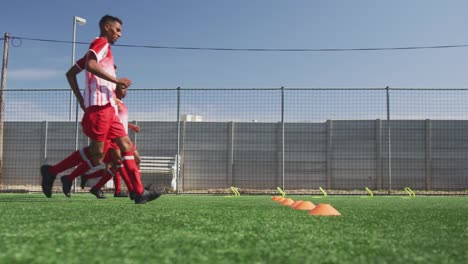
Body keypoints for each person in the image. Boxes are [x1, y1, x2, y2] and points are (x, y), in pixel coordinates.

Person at [40, 15, 161, 204]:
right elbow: (90, 65)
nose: (120, 34)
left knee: (126, 146)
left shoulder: (97, 51)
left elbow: (71, 73)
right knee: (97, 155)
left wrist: (81, 98)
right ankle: (52, 172)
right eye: (117, 30)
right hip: (99, 109)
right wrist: (116, 80)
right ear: (107, 27)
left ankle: (139, 192)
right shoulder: (101, 42)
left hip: (108, 108)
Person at [81, 83, 141, 199]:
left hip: (124, 137)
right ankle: (133, 190)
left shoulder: (121, 103)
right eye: (123, 88)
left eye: (126, 89)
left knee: (132, 161)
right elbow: (109, 119)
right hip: (115, 138)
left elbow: (119, 120)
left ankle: (132, 189)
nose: (125, 91)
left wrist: (130, 126)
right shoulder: (113, 102)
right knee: (114, 164)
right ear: (116, 89)